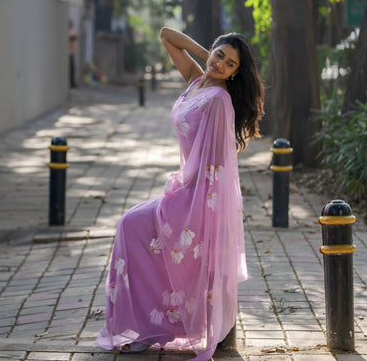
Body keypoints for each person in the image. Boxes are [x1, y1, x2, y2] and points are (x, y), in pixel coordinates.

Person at [95, 27, 265, 360]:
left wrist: (199, 206)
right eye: (220, 55)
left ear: (235, 74)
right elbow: (166, 35)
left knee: (131, 226)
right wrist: (210, 61)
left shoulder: (218, 100)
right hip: (185, 189)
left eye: (230, 65)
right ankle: (147, 326)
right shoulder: (196, 82)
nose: (221, 64)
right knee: (133, 230)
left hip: (197, 197)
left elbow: (218, 163)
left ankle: (148, 327)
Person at [68, 20, 78, 88]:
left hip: (72, 52)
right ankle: (72, 84)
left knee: (73, 69)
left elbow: (75, 37)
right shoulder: (68, 31)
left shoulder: (71, 30)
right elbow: (72, 37)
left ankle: (72, 83)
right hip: (69, 53)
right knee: (71, 69)